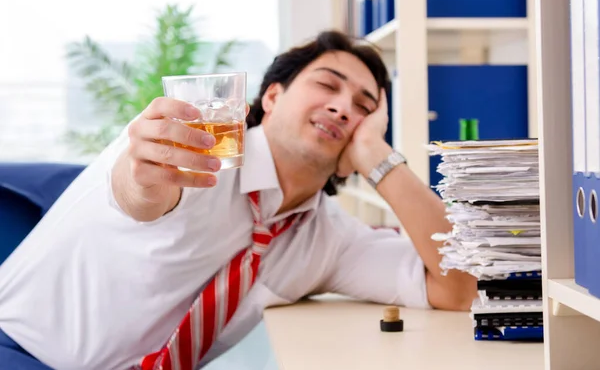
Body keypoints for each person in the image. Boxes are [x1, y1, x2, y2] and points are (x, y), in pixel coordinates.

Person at [0, 30, 477, 370]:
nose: (342, 107)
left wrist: (378, 155)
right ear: (271, 97)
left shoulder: (328, 238)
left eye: (364, 108)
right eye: (327, 85)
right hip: (16, 350)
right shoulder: (197, 151)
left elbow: (459, 287)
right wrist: (144, 175)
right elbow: (140, 193)